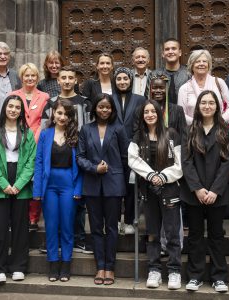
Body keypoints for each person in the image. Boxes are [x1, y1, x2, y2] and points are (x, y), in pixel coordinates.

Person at [128, 100, 183, 290]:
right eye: (146, 112)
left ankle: (175, 270)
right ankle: (154, 269)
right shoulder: (139, 137)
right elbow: (133, 159)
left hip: (169, 189)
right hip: (148, 191)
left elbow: (179, 163)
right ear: (142, 115)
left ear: (159, 113)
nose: (150, 114)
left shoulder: (171, 134)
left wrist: (163, 176)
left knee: (172, 232)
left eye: (153, 111)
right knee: (152, 232)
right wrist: (151, 175)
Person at [181, 90, 229, 293]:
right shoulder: (190, 130)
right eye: (204, 102)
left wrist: (214, 190)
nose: (207, 106)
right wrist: (198, 189)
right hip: (194, 194)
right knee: (194, 235)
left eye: (211, 103)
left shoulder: (225, 131)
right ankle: (195, 276)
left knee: (216, 235)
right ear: (198, 106)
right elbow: (186, 161)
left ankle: (218, 277)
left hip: (217, 194)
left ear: (217, 106)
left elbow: (227, 162)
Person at [77, 93, 129, 285]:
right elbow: (80, 157)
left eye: (107, 107)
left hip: (114, 186)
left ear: (112, 109)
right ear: (95, 108)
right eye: (101, 107)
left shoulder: (119, 129)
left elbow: (125, 159)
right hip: (91, 185)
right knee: (96, 229)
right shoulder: (85, 129)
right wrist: (94, 168)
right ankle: (100, 267)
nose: (104, 110)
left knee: (112, 228)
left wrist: (121, 181)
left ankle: (110, 267)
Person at [0, 95, 36, 283]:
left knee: (21, 227)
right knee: (0, 228)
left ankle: (18, 267)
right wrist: (4, 184)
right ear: (5, 108)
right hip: (0, 182)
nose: (13, 110)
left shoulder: (27, 133)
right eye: (10, 106)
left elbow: (31, 161)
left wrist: (19, 184)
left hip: (20, 181)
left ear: (22, 111)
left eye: (17, 107)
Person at [41, 65, 92, 254]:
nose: (68, 81)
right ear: (58, 80)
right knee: (53, 207)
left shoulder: (85, 102)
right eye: (64, 78)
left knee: (78, 202)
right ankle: (53, 240)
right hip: (56, 152)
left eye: (71, 77)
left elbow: (89, 128)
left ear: (76, 80)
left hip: (78, 152)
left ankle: (78, 239)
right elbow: (44, 126)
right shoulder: (51, 102)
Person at [33, 98, 83, 282]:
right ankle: (53, 263)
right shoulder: (45, 135)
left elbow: (80, 165)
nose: (62, 117)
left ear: (71, 117)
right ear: (53, 113)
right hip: (49, 186)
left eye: (66, 114)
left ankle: (66, 264)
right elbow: (38, 163)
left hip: (68, 185)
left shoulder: (76, 135)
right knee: (51, 225)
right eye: (59, 113)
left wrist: (78, 188)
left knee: (67, 226)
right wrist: (37, 190)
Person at [9, 63, 50, 229]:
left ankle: (33, 218)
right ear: (21, 77)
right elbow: (11, 116)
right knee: (18, 178)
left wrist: (34, 138)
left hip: (38, 142)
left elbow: (44, 121)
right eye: (27, 75)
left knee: (34, 180)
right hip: (16, 142)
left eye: (33, 75)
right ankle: (17, 217)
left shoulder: (45, 96)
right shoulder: (13, 95)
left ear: (37, 78)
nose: (30, 78)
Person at [112, 67, 146, 234]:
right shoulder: (109, 99)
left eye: (126, 78)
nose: (122, 82)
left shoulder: (140, 99)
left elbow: (142, 123)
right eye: (119, 79)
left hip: (133, 150)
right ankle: (116, 220)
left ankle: (131, 221)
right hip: (113, 151)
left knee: (132, 187)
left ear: (130, 81)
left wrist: (136, 143)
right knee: (116, 187)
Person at [178, 49, 229, 126]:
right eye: (197, 61)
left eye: (204, 61)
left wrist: (218, 123)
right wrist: (200, 125)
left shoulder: (219, 83)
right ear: (191, 65)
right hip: (194, 132)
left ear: (209, 65)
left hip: (218, 131)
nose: (201, 64)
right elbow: (181, 115)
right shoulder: (184, 88)